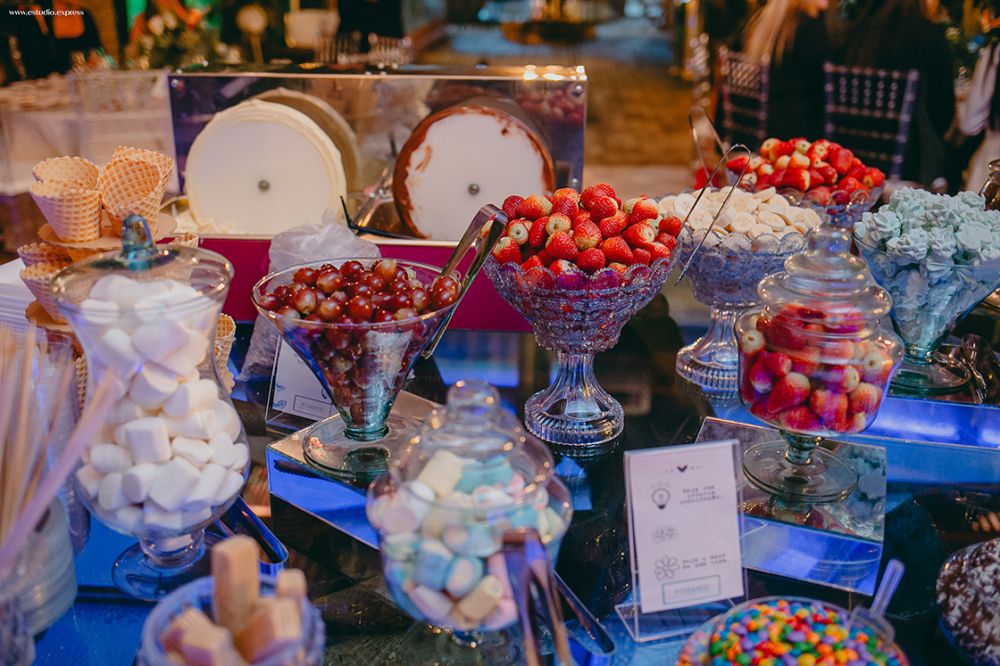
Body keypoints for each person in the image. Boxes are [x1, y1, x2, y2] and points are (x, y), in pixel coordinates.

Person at [840, 0, 955, 185]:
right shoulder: (930, 39)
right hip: (907, 167)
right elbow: (943, 116)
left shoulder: (853, 33)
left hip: (848, 160)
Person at [741, 0, 833, 139]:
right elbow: (824, 89)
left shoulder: (773, 24)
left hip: (762, 130)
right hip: (795, 139)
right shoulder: (809, 29)